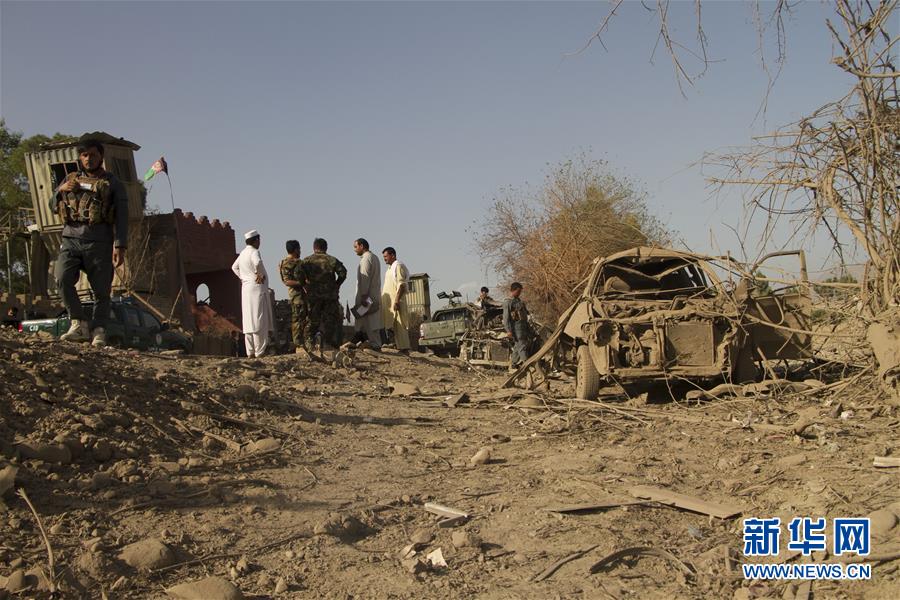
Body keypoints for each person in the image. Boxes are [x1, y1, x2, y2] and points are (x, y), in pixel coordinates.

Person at [51, 136, 129, 346]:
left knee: (101, 291)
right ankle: (78, 323)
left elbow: (122, 215)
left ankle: (99, 330)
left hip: (99, 241)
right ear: (80, 157)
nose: (88, 159)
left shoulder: (112, 183)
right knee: (62, 278)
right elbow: (52, 204)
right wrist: (61, 190)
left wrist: (120, 245)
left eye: (93, 155)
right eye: (84, 155)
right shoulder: (70, 179)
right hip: (70, 239)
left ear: (101, 156)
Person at [231, 230, 274, 358]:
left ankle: (250, 352)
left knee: (248, 320)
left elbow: (234, 267)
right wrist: (259, 274)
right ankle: (259, 351)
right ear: (256, 240)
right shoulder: (254, 252)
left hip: (246, 288)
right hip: (256, 288)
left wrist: (244, 278)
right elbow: (257, 262)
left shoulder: (243, 253)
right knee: (259, 319)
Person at [302, 238, 347, 351]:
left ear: (314, 248)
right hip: (330, 296)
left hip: (313, 296)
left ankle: (309, 344)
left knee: (312, 319)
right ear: (326, 247)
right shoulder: (332, 260)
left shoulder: (307, 261)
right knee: (329, 320)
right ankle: (327, 343)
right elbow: (343, 272)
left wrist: (305, 285)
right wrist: (337, 284)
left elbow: (298, 274)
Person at [279, 240, 308, 354]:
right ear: (296, 249)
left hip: (303, 296)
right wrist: (302, 283)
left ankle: (303, 344)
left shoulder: (295, 262)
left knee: (304, 320)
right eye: (299, 249)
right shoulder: (287, 263)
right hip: (297, 297)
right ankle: (299, 344)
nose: (300, 251)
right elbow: (287, 281)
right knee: (297, 321)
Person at [380, 246, 411, 354]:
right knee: (393, 325)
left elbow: (401, 285)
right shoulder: (390, 268)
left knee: (400, 324)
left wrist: (397, 300)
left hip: (397, 301)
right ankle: (397, 345)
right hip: (390, 303)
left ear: (392, 255)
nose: (384, 259)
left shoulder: (398, 266)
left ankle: (404, 348)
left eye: (386, 256)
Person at [352, 238, 382, 349]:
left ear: (361, 246)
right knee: (366, 320)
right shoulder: (374, 257)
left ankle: (374, 344)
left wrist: (364, 295)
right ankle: (365, 340)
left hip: (367, 297)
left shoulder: (366, 259)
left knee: (365, 318)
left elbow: (365, 279)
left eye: (356, 247)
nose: (355, 249)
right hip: (373, 295)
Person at [503, 282, 531, 369]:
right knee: (521, 345)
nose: (519, 293)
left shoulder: (519, 301)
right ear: (513, 290)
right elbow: (506, 317)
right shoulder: (508, 302)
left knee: (518, 345)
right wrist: (508, 330)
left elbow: (525, 312)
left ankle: (513, 364)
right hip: (516, 328)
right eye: (518, 291)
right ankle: (527, 365)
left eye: (520, 292)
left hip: (523, 327)